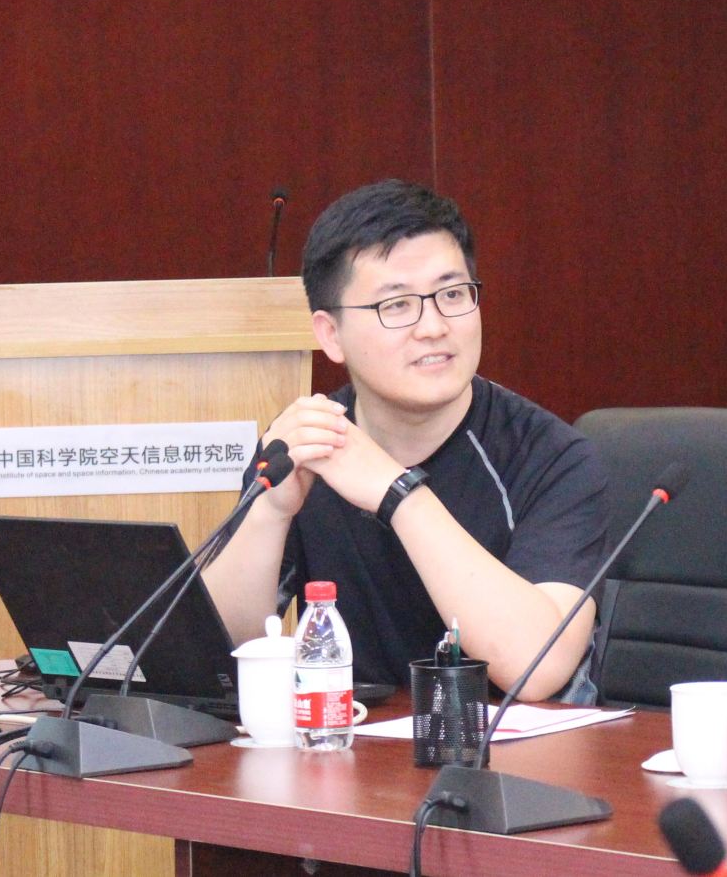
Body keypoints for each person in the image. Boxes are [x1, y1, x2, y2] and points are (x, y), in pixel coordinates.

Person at [202, 180, 607, 700]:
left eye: (452, 295)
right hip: (350, 740)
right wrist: (270, 513)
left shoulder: (553, 458)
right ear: (330, 334)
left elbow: (537, 668)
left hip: (510, 747)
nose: (433, 326)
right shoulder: (309, 444)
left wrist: (397, 493)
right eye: (396, 305)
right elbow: (220, 654)